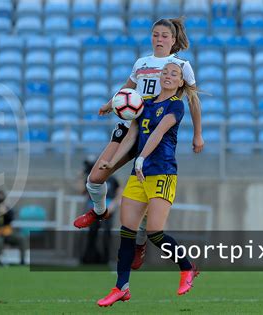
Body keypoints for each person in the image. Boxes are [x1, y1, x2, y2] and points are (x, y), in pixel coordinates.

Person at [74, 17, 204, 268]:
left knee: (146, 198)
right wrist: (110, 103)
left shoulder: (180, 65)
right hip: (129, 128)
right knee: (94, 179)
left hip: (152, 133)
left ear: (173, 40)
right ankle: (99, 211)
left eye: (164, 35)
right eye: (155, 34)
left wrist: (198, 134)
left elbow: (193, 100)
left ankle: (141, 244)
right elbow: (127, 89)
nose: (159, 39)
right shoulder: (141, 63)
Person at [95, 62, 199, 307]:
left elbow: (159, 133)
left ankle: (187, 268)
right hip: (138, 174)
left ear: (181, 82)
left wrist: (141, 159)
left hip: (161, 173)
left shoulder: (176, 105)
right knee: (127, 232)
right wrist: (111, 162)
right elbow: (132, 136)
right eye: (165, 72)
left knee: (154, 233)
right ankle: (121, 287)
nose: (168, 76)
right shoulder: (145, 102)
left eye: (174, 74)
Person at [80, 156, 122, 264]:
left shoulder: (112, 179)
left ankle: (106, 258)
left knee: (106, 233)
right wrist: (82, 175)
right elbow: (82, 191)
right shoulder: (92, 178)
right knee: (92, 233)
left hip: (108, 210)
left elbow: (119, 192)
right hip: (94, 210)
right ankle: (89, 257)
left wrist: (113, 205)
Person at [0, 190, 26, 265]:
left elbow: (10, 220)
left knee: (22, 238)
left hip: (6, 234)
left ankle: (22, 261)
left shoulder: (7, 209)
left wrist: (5, 213)